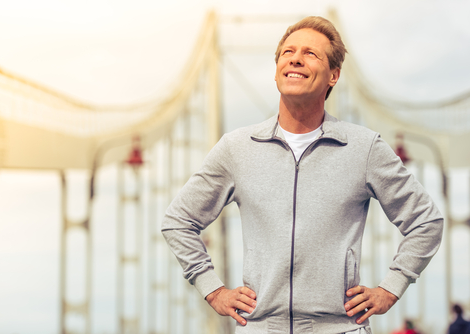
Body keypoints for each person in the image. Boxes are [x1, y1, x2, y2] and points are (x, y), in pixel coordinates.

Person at [162, 16, 443, 333]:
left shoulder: (364, 148)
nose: (295, 58)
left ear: (333, 76)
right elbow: (178, 221)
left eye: (311, 53)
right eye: (288, 52)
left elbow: (426, 222)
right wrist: (212, 289)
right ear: (278, 69)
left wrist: (391, 287)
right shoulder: (236, 149)